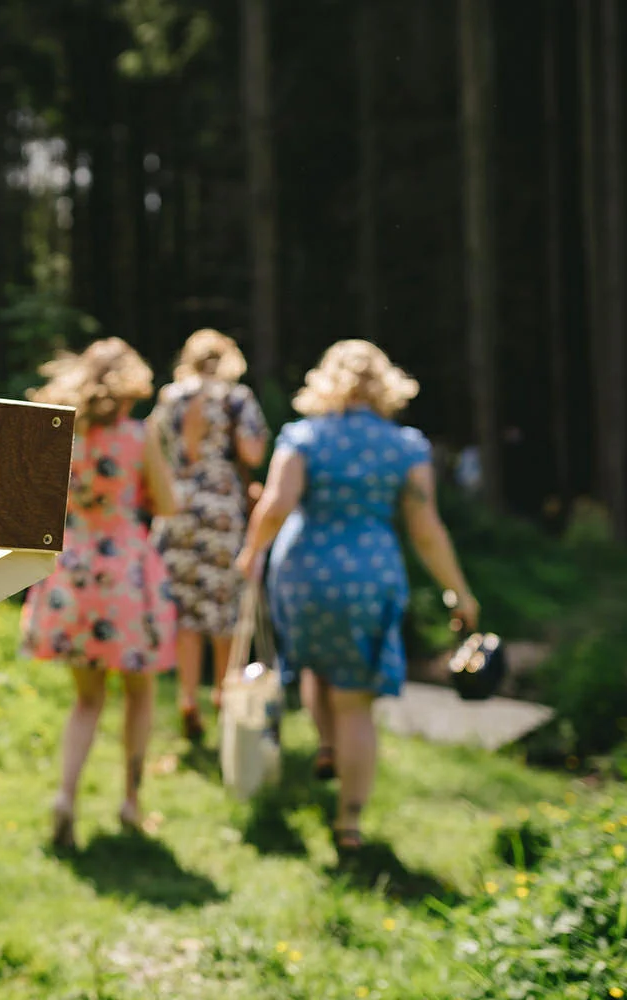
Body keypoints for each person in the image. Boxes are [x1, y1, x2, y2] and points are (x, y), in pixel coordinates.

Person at [234, 340, 479, 852]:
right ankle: (349, 824)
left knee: (315, 665)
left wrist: (250, 553)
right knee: (355, 703)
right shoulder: (405, 446)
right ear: (388, 385)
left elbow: (277, 506)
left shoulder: (304, 436)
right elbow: (426, 528)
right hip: (369, 574)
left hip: (303, 573)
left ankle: (325, 747)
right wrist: (459, 592)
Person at [20, 337, 179, 850]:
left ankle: (66, 796)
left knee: (87, 701)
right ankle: (131, 804)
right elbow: (169, 503)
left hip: (72, 568)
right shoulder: (139, 435)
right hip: (126, 574)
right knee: (140, 693)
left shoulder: (62, 434)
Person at [150, 329, 269, 742]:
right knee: (223, 607)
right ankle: (221, 694)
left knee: (185, 611)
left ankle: (186, 698)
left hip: (177, 507)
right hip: (220, 510)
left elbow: (155, 448)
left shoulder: (171, 396)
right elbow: (253, 454)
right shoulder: (237, 398)